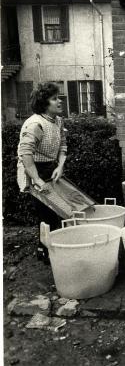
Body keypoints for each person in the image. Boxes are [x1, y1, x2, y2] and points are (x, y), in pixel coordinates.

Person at [17, 82, 67, 264]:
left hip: (51, 168)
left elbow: (63, 145)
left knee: (60, 209)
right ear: (44, 104)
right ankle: (45, 251)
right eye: (54, 99)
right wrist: (37, 179)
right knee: (46, 213)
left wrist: (60, 166)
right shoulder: (35, 124)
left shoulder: (58, 121)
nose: (60, 101)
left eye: (58, 97)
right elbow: (25, 154)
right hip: (34, 170)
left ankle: (58, 247)